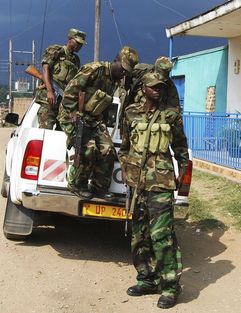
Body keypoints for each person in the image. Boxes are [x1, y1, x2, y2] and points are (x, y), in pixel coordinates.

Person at [118, 72, 188, 309]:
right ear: (144, 89)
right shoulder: (131, 113)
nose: (158, 89)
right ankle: (146, 279)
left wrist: (181, 177)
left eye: (161, 87)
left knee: (162, 236)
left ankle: (169, 286)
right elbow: (125, 146)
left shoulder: (171, 115)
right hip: (138, 185)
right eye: (153, 86)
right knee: (140, 236)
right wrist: (128, 172)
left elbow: (181, 149)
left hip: (161, 182)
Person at [57, 46, 139, 199]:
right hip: (72, 115)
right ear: (116, 60)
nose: (123, 73)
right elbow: (70, 92)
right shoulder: (95, 69)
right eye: (122, 69)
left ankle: (99, 187)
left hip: (94, 120)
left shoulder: (116, 81)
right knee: (88, 149)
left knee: (108, 150)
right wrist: (74, 115)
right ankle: (77, 184)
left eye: (126, 71)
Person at [36, 28, 86, 129]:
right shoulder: (56, 50)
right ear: (70, 40)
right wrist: (50, 91)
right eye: (78, 43)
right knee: (46, 129)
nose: (79, 46)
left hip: (63, 101)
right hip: (49, 98)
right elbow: (45, 68)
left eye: (81, 44)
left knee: (63, 132)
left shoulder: (76, 60)